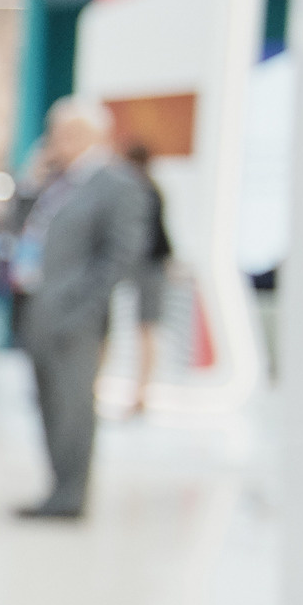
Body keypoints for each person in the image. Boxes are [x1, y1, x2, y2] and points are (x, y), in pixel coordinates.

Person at [11, 98, 155, 519]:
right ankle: (57, 488)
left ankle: (71, 496)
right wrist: (28, 183)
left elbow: (121, 256)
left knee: (73, 408)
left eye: (67, 133)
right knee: (48, 405)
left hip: (74, 318)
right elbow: (18, 230)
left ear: (95, 137)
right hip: (36, 308)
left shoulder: (118, 185)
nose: (57, 142)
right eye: (55, 133)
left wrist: (81, 309)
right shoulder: (56, 184)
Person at [121, 139, 172, 414]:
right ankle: (141, 391)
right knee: (146, 328)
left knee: (147, 328)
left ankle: (142, 393)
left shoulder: (139, 190)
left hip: (148, 265)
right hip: (149, 264)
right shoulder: (150, 188)